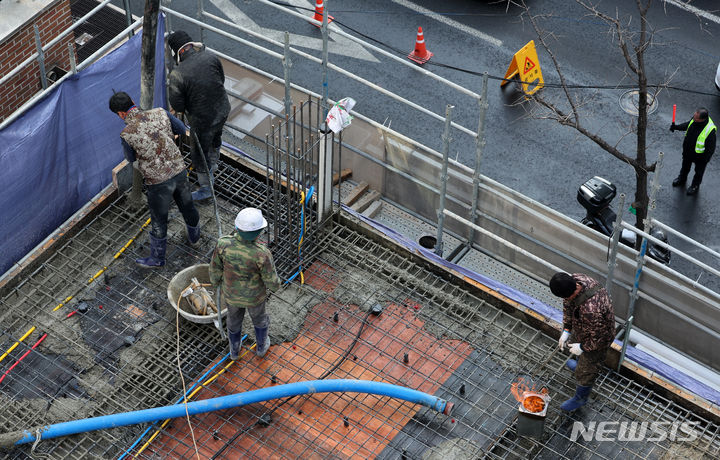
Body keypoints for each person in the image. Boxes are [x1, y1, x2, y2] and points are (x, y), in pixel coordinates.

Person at [108, 91, 201, 268]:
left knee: (159, 219)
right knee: (187, 206)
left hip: (158, 183)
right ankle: (195, 238)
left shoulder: (126, 134)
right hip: (179, 170)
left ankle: (158, 258)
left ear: (120, 114)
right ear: (133, 101)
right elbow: (181, 129)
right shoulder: (160, 112)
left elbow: (131, 159)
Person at [209, 208, 280, 360]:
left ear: (236, 227)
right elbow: (271, 280)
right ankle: (261, 347)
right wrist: (276, 286)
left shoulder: (223, 244)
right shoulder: (262, 253)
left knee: (233, 320)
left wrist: (215, 283)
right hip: (254, 298)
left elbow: (215, 267)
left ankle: (234, 350)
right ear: (260, 232)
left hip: (231, 295)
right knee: (259, 319)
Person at [167, 30, 231, 201]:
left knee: (199, 152)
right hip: (223, 109)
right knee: (216, 135)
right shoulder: (211, 57)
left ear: (179, 52)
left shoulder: (178, 74)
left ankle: (206, 188)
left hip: (203, 120)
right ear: (190, 46)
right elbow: (221, 80)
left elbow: (177, 106)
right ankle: (214, 163)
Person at [550, 272, 615, 411]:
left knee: (586, 370)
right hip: (583, 328)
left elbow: (601, 337)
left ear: (571, 293)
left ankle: (581, 398)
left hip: (598, 340)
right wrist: (567, 329)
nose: (564, 299)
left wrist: (583, 347)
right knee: (578, 355)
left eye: (565, 297)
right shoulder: (576, 279)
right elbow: (568, 305)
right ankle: (579, 366)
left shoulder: (592, 310)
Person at [670, 107, 716, 195]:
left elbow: (710, 149)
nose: (693, 118)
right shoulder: (695, 119)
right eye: (694, 115)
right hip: (688, 152)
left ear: (702, 119)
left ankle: (695, 185)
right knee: (685, 167)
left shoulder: (710, 131)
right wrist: (676, 127)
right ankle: (682, 179)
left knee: (698, 173)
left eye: (696, 118)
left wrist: (704, 160)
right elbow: (687, 125)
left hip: (700, 157)